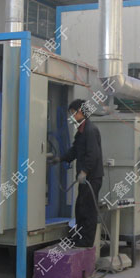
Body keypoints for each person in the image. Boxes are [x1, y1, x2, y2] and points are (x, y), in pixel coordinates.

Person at [50, 99, 104, 248]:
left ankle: (86, 241)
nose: (72, 116)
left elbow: (93, 154)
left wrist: (84, 171)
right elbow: (75, 150)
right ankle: (79, 237)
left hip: (92, 178)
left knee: (88, 209)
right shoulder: (81, 130)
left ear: (81, 112)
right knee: (80, 208)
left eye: (73, 113)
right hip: (85, 178)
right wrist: (60, 158)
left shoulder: (90, 130)